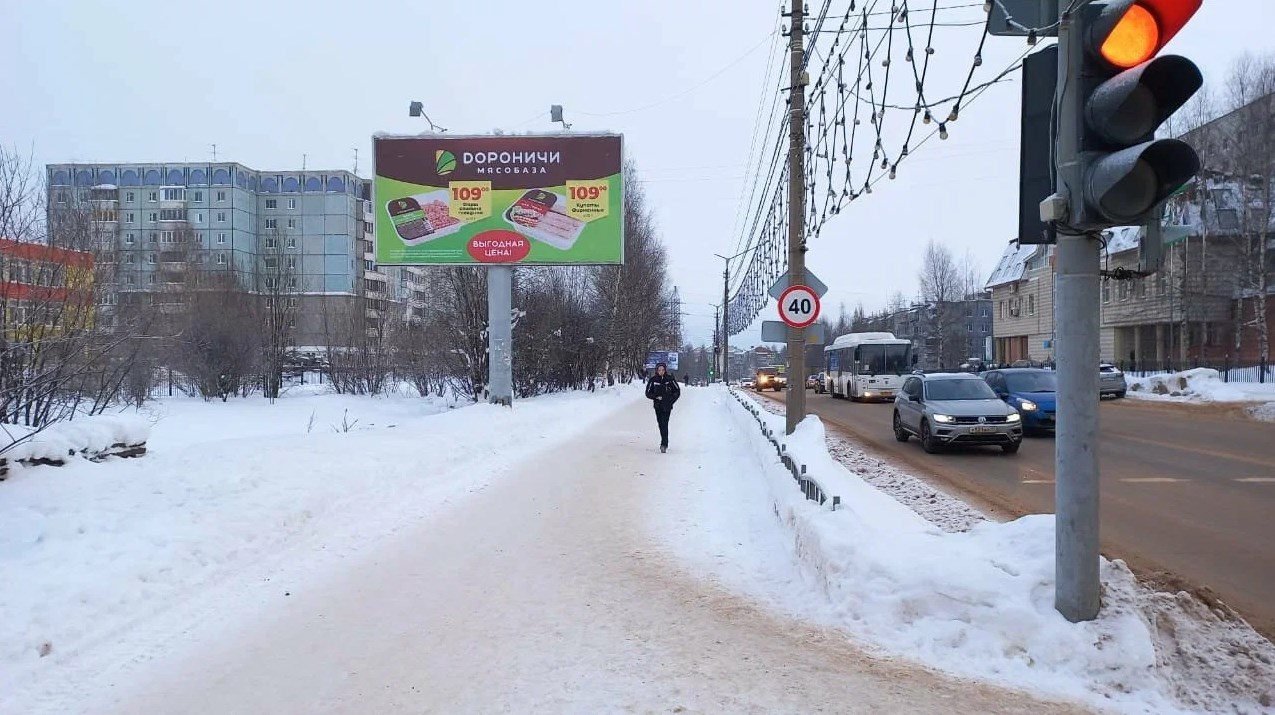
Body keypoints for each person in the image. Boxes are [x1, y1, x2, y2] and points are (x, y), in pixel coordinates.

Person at [645, 362, 681, 453]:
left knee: (665, 424)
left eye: (663, 370)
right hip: (658, 406)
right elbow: (647, 393)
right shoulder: (653, 380)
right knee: (661, 424)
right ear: (657, 370)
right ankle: (664, 441)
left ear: (665, 370)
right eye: (659, 370)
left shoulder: (670, 379)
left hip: (667, 406)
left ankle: (664, 444)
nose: (661, 372)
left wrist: (671, 400)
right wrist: (656, 397)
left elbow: (677, 391)